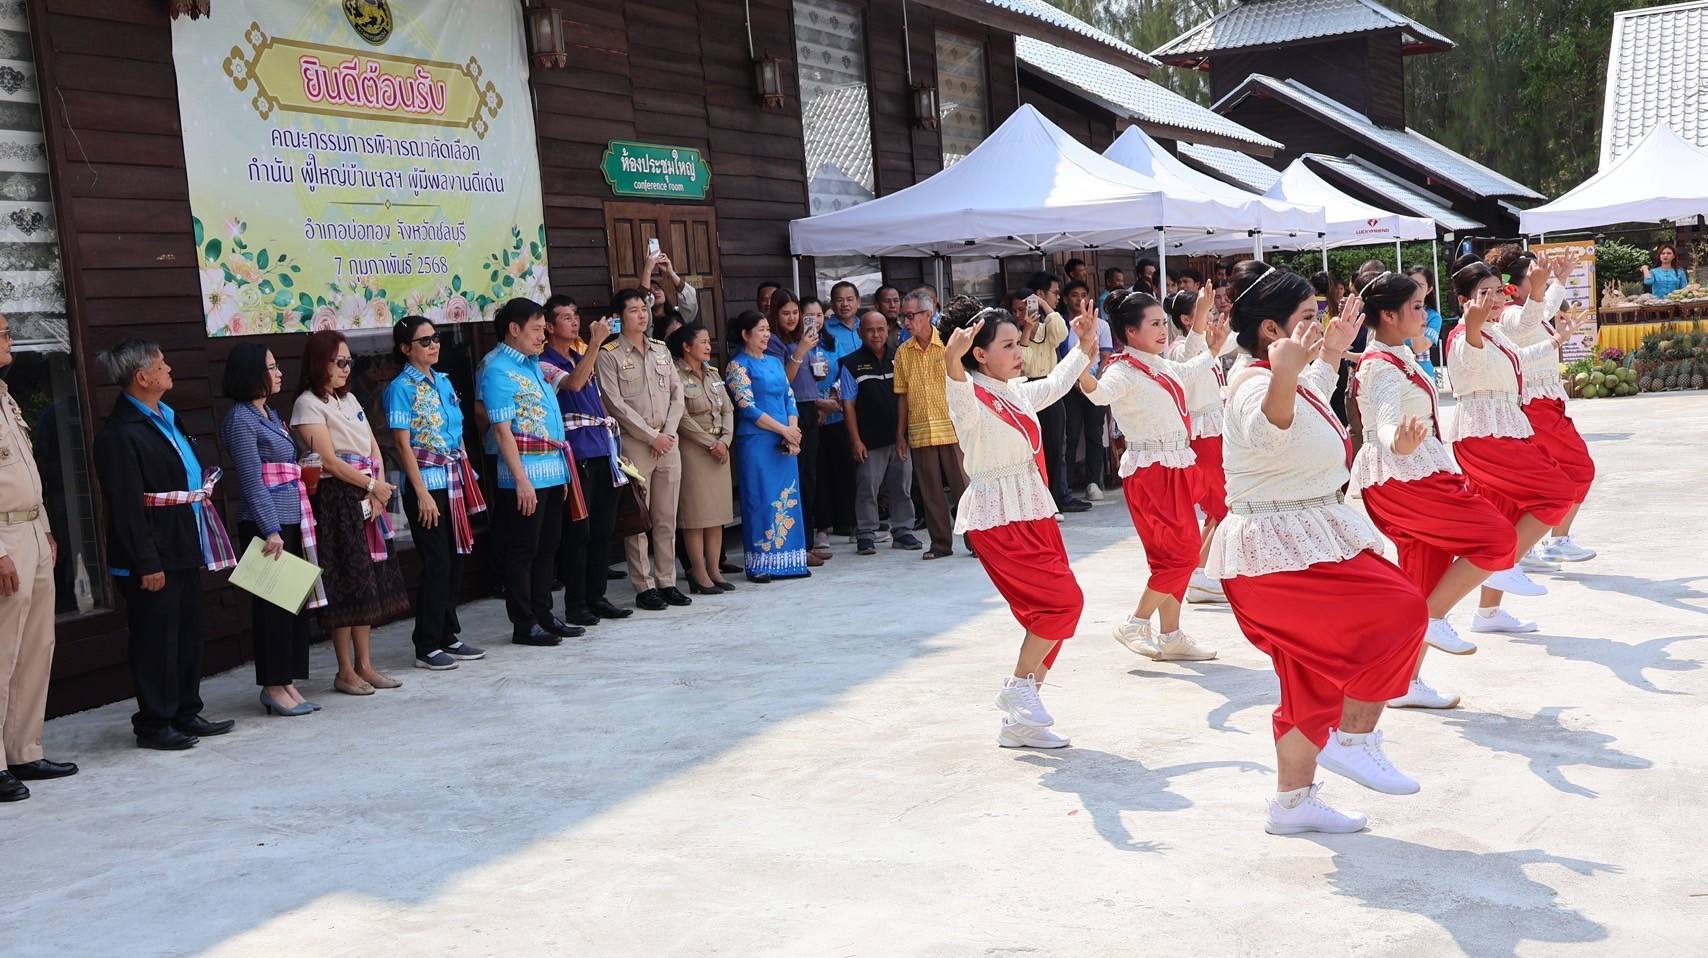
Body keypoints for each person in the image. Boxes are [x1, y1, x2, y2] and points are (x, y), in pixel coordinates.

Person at [1210, 262, 1427, 835]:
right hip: (1276, 554)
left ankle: (1292, 803)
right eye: (1307, 318)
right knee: (1404, 609)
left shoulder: (1286, 372)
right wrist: (1287, 370)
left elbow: (1310, 396)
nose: (1318, 324)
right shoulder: (1254, 382)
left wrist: (1328, 354)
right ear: (1269, 332)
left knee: (1308, 679)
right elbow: (1270, 427)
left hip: (1301, 539)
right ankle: (1355, 737)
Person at [1348, 269, 1534, 709]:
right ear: (1390, 315)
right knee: (1497, 539)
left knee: (1423, 581)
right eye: (1416, 306)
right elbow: (1390, 417)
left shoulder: (1398, 355)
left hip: (1412, 472)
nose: (1424, 313)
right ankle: (1431, 618)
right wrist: (1398, 439)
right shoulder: (1383, 368)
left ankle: (1404, 682)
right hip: (1405, 478)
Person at [942, 304, 1100, 749]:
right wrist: (951, 360)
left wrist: (1083, 345)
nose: (1018, 352)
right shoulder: (969, 398)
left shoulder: (1014, 391)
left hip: (1034, 510)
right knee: (1063, 605)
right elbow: (954, 387)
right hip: (999, 518)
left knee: (1049, 618)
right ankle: (1017, 688)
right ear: (979, 355)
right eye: (1008, 346)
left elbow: (1053, 384)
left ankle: (1022, 724)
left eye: (1018, 343)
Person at [94, 339, 236, 750]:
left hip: (183, 540)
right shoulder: (120, 434)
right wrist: (146, 562)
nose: (169, 368)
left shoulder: (168, 418)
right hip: (153, 552)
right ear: (143, 377)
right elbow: (124, 507)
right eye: (161, 364)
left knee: (189, 632)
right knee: (157, 638)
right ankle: (155, 723)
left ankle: (185, 711)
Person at [1446, 257, 1582, 636]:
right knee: (1557, 494)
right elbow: (1470, 355)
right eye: (1482, 294)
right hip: (1485, 435)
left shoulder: (1492, 332)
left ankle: (1488, 614)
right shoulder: (1465, 335)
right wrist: (1475, 325)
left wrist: (1556, 340)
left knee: (1506, 517)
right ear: (1463, 301)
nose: (1493, 299)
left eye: (1497, 291)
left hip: (1501, 430)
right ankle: (1505, 564)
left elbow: (1517, 357)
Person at [1092, 289, 1221, 662]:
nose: (1163, 330)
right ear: (1131, 331)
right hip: (1151, 472)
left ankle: (1171, 635)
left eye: (1163, 322)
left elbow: (1188, 368)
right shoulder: (1122, 369)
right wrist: (1085, 357)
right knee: (1181, 557)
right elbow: (1100, 395)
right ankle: (1136, 621)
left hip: (1175, 465)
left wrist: (1211, 345)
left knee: (1173, 556)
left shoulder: (1157, 363)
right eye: (1154, 324)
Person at [291, 330, 411, 691]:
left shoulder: (351, 398)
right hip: (336, 498)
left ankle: (366, 664)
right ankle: (345, 669)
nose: (346, 368)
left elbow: (372, 445)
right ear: (319, 363)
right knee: (344, 582)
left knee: (368, 579)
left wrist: (376, 489)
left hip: (366, 491)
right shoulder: (307, 404)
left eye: (349, 361)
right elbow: (328, 459)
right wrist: (371, 486)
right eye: (339, 362)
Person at [479, 298, 590, 643]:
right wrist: (522, 480)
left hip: (552, 469)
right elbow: (502, 431)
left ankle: (544, 613)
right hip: (523, 475)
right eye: (538, 329)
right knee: (522, 551)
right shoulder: (497, 369)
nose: (543, 336)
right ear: (514, 329)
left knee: (548, 548)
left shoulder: (532, 365)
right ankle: (524, 623)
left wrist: (561, 475)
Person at [220, 343, 320, 713]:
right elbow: (250, 479)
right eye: (272, 367)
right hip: (266, 525)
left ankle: (287, 680)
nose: (279, 373)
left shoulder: (270, 413)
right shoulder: (240, 419)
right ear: (251, 373)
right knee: (272, 609)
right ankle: (272, 686)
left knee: (291, 605)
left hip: (290, 516)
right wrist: (271, 528)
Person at [384, 317, 488, 670]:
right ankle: (426, 644)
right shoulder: (400, 388)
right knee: (436, 562)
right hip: (427, 481)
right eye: (424, 340)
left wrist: (467, 474)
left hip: (454, 479)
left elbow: (456, 432)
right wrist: (421, 491)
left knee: (457, 557)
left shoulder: (443, 381)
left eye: (436, 338)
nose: (434, 345)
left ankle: (448, 634)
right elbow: (401, 443)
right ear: (405, 348)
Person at [0, 312, 73, 796]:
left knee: (35, 648)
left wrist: (44, 528)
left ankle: (23, 751)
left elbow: (26, 472)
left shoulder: (4, 395)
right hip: (3, 540)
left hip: (30, 532)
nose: (10, 340)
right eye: (2, 333)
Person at [1490, 249, 1598, 565]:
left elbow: (1543, 308)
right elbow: (1530, 319)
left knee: (1558, 475)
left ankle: (1539, 544)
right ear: (1514, 285)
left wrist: (1560, 278)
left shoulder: (1527, 308)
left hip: (1545, 403)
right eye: (1534, 278)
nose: (1542, 282)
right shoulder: (1510, 315)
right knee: (1578, 470)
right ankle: (1549, 541)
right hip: (1533, 406)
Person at [597, 288, 690, 611]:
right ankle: (643, 585)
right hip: (636, 444)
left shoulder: (662, 351)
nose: (642, 315)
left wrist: (667, 432)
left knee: (667, 516)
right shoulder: (608, 354)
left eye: (644, 309)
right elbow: (615, 404)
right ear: (619, 317)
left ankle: (667, 581)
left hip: (668, 442)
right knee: (638, 517)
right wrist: (652, 436)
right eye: (634, 310)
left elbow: (678, 396)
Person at [541, 295, 630, 624]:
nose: (574, 321)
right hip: (576, 452)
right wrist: (595, 342)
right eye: (565, 317)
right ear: (549, 327)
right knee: (579, 532)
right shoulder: (545, 362)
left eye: (576, 315)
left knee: (603, 530)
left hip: (601, 447)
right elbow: (576, 384)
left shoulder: (580, 354)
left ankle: (597, 596)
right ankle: (576, 604)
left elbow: (597, 398)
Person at [724, 310, 809, 582]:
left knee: (788, 497)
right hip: (758, 440)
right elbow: (747, 407)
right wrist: (783, 429)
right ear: (745, 335)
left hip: (785, 437)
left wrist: (793, 431)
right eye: (760, 330)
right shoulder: (737, 366)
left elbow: (789, 397)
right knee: (760, 499)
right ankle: (761, 563)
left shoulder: (774, 362)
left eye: (767, 329)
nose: (766, 334)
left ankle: (791, 559)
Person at [1163, 290, 1234, 605]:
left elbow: (1236, 339)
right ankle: (1200, 575)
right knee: (1223, 505)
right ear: (1186, 320)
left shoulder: (1209, 345)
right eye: (1204, 312)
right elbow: (1193, 351)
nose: (1212, 316)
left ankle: (1202, 571)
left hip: (1215, 431)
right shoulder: (1180, 350)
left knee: (1220, 507)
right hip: (1202, 436)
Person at [837, 309, 921, 555]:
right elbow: (848, 405)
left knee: (902, 486)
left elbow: (906, 397)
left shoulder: (901, 358)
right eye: (870, 330)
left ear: (888, 331)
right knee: (867, 488)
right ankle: (866, 534)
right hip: (869, 439)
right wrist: (855, 440)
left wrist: (903, 435)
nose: (876, 335)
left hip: (900, 438)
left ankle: (903, 530)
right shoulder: (851, 364)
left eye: (881, 329)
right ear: (860, 332)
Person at [896, 293, 969, 559]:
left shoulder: (949, 345)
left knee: (964, 487)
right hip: (920, 429)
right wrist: (900, 434)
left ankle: (977, 541)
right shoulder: (903, 352)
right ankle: (940, 544)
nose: (906, 321)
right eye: (903, 316)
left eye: (911, 315)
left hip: (953, 427)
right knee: (930, 491)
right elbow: (901, 395)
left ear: (928, 315)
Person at [669, 321, 737, 594]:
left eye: (709, 341)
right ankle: (698, 573)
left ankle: (714, 570)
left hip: (719, 450)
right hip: (694, 450)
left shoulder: (713, 373)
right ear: (686, 347)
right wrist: (711, 443)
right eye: (703, 342)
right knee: (696, 517)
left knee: (717, 515)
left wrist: (725, 441)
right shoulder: (675, 374)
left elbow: (728, 409)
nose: (709, 346)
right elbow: (681, 416)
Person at [764, 289, 827, 567]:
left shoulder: (803, 337)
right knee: (797, 478)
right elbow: (782, 380)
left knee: (811, 478)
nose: (792, 318)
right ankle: (798, 544)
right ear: (775, 315)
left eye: (795, 312)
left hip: (810, 408)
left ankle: (809, 541)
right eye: (785, 313)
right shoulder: (775, 343)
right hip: (789, 413)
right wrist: (801, 350)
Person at [1014, 278, 1088, 515]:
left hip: (1050, 386)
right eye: (1016, 310)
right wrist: (1025, 329)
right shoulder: (1012, 334)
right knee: (1033, 449)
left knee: (1057, 446)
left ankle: (1058, 497)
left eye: (1025, 308)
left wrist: (1044, 305)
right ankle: (1038, 500)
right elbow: (1021, 362)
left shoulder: (1048, 330)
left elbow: (1062, 331)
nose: (1021, 313)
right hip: (1025, 389)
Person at [815, 281, 863, 549]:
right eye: (839, 300)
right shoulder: (826, 332)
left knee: (853, 470)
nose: (845, 304)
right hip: (830, 409)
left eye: (849, 299)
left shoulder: (866, 327)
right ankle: (825, 525)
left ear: (857, 301)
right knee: (826, 470)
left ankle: (855, 523)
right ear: (831, 304)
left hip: (858, 410)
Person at [1061, 280, 1111, 502]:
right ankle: (1067, 483)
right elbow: (1060, 358)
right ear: (1065, 299)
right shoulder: (1061, 325)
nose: (1079, 299)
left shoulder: (1101, 325)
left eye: (1083, 294)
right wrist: (1073, 381)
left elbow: (1106, 356)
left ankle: (1094, 481)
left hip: (1094, 384)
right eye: (1074, 295)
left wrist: (1094, 382)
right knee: (1070, 434)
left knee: (1094, 433)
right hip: (1069, 386)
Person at [1406, 266, 1443, 382]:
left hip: (1423, 376)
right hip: (1397, 374)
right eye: (1411, 284)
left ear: (1429, 290)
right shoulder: (1396, 313)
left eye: (1420, 286)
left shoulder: (1433, 317)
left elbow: (1419, 348)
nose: (1415, 289)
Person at [641, 250, 699, 323]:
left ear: (664, 293)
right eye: (649, 291)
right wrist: (647, 270)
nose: (654, 292)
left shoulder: (678, 316)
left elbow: (690, 302)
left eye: (657, 288)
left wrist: (671, 273)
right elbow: (642, 300)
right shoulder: (646, 322)